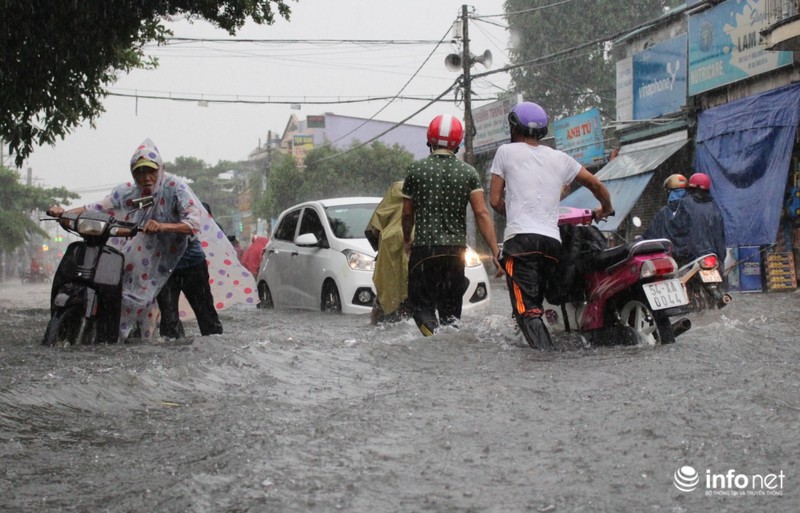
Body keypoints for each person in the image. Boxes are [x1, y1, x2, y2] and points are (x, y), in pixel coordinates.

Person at [47, 138, 256, 342]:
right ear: (133, 173)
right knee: (169, 322)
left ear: (160, 170)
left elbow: (194, 222)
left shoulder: (175, 187)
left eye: (151, 171)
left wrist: (163, 226)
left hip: (189, 262)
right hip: (160, 267)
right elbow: (99, 207)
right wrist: (64, 213)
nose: (146, 177)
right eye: (139, 172)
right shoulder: (129, 192)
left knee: (207, 317)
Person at [489, 101, 613, 350]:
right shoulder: (561, 158)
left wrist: (511, 210)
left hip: (521, 243)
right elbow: (596, 185)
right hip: (552, 246)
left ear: (514, 127)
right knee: (540, 305)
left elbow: (494, 200)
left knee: (528, 312)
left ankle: (547, 359)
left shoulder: (505, 152)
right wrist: (606, 209)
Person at [401, 114, 502, 336]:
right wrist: (495, 251)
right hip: (455, 253)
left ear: (430, 140)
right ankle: (445, 338)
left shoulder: (416, 171)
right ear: (458, 143)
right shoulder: (468, 173)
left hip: (424, 251)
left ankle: (430, 331)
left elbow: (407, 214)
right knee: (451, 317)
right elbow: (482, 213)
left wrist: (407, 239)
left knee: (422, 308)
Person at [155, 198, 224, 341]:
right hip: (165, 267)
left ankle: (216, 346)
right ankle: (173, 354)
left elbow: (193, 225)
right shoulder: (152, 207)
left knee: (206, 313)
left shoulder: (187, 205)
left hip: (193, 265)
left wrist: (163, 226)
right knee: (169, 319)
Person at [365, 180, 411, 324]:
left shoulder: (393, 196)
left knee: (386, 297)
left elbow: (374, 230)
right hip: (416, 259)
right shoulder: (423, 204)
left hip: (390, 259)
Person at [666, 172, 727, 266]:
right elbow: (720, 235)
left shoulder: (685, 203)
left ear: (691, 187)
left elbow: (676, 229)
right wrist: (721, 258)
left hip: (692, 256)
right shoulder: (714, 206)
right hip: (714, 256)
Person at [643, 173, 687, 240]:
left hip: (669, 249)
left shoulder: (664, 212)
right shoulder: (694, 208)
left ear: (669, 192)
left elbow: (649, 235)